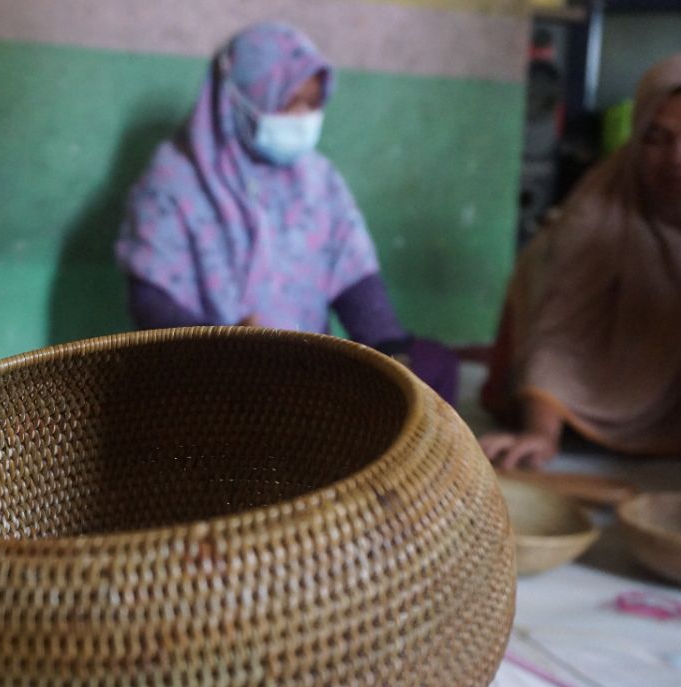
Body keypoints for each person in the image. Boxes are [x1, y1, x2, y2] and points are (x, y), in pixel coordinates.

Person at [114, 21, 458, 404]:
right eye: (290, 103)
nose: (305, 119)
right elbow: (152, 303)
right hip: (212, 373)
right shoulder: (173, 182)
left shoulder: (317, 179)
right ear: (242, 97)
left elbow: (355, 280)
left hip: (304, 370)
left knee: (433, 369)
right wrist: (229, 345)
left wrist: (390, 349)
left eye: (313, 105)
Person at [480, 52, 681, 469]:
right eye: (656, 137)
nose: (678, 158)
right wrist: (540, 435)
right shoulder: (605, 199)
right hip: (614, 372)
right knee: (539, 264)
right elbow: (560, 327)